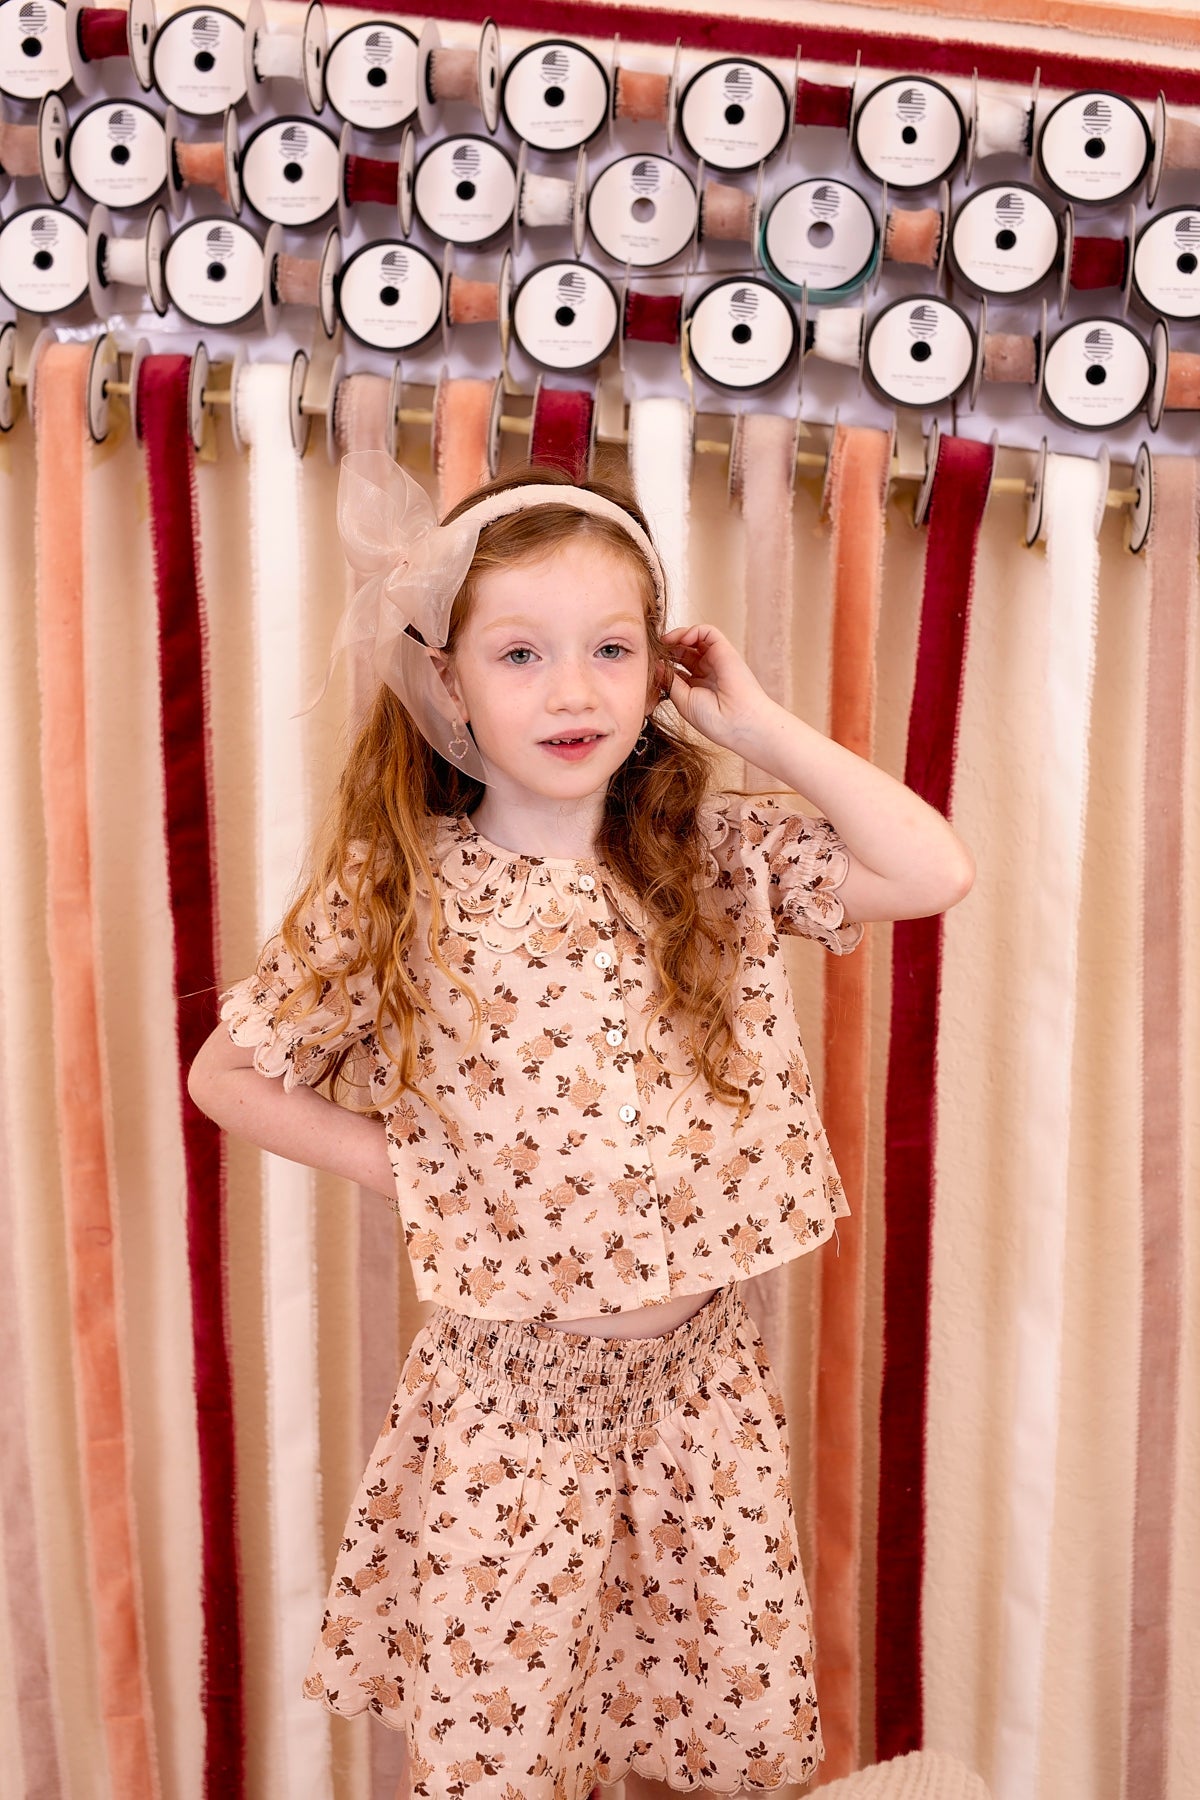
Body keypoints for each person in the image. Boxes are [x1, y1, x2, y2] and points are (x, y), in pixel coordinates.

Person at [189, 451, 974, 1798]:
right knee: (510, 1749)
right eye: (521, 654)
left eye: (612, 649)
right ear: (447, 682)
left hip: (699, 1395)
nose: (572, 691)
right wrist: (421, 1170)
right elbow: (230, 1076)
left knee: (692, 1731)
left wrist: (758, 726)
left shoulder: (709, 855)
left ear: (659, 670)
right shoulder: (405, 886)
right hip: (512, 1412)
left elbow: (930, 869)